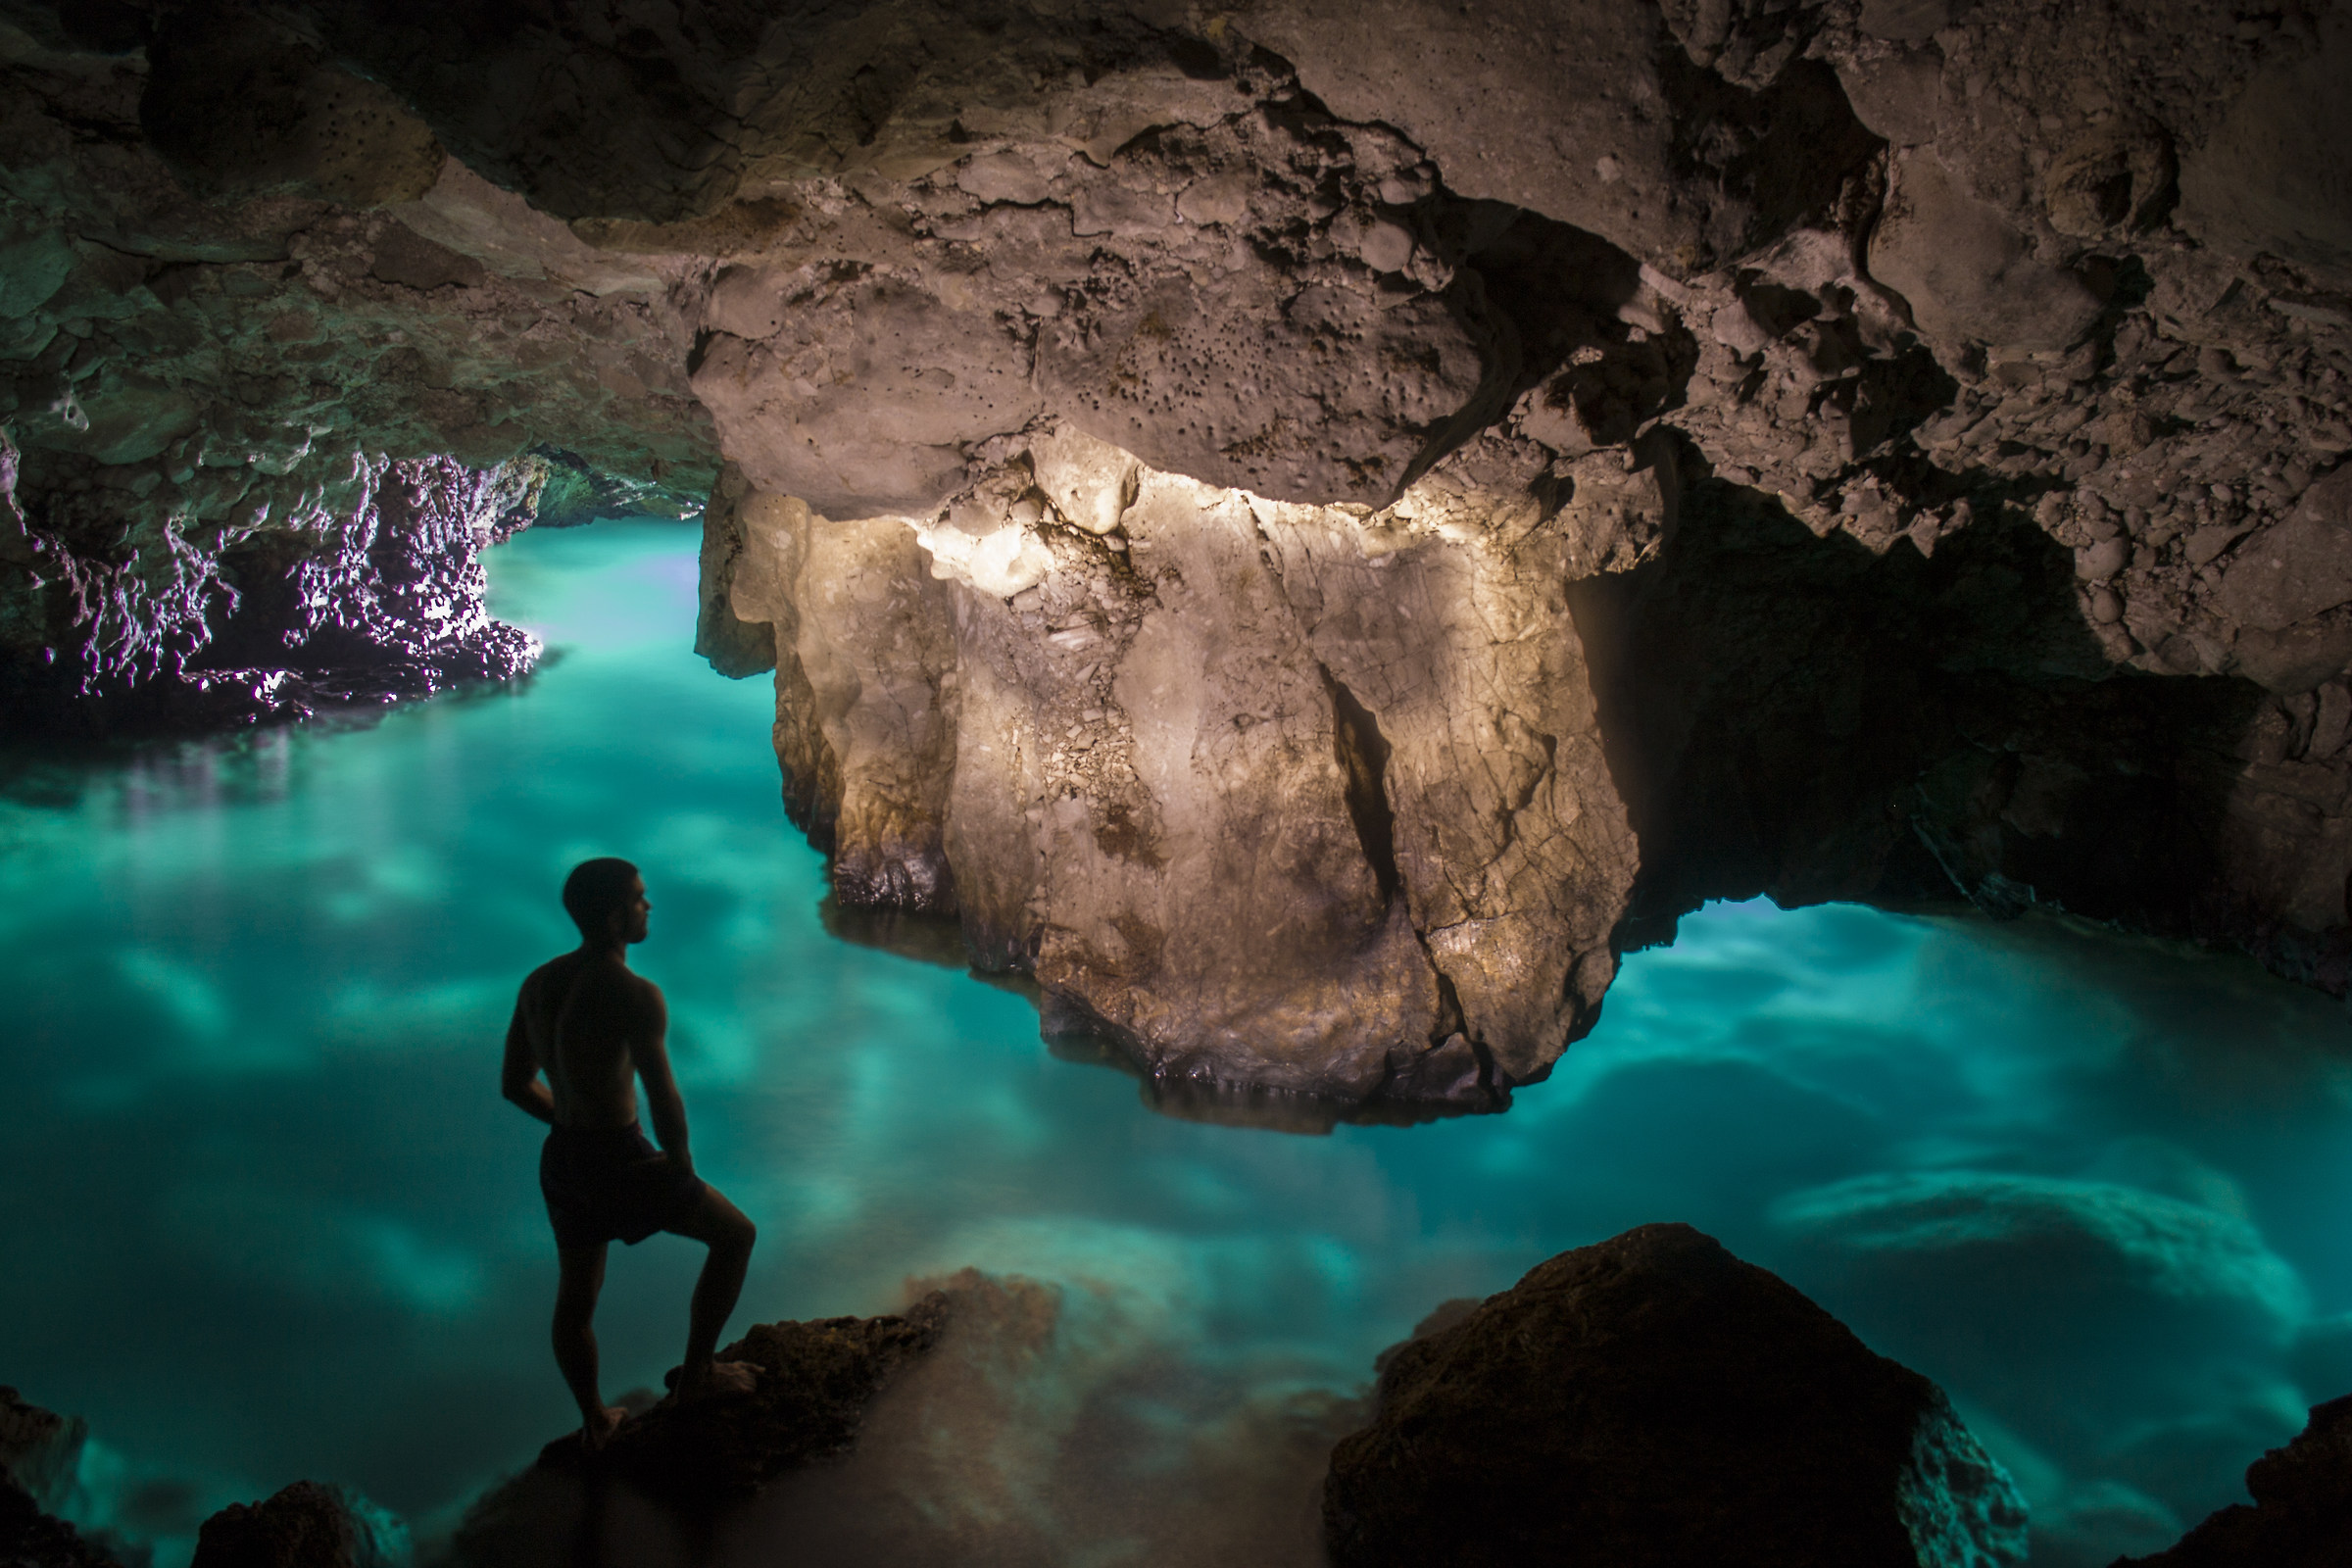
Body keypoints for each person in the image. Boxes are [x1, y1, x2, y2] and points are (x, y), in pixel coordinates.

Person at [502, 857, 759, 1450]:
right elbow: (662, 1094)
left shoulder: (539, 984)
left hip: (563, 1158)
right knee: (734, 1237)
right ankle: (696, 1378)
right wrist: (679, 1163)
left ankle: (595, 1420)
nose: (649, 907)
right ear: (616, 916)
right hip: (620, 1158)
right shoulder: (634, 995)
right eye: (640, 899)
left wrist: (569, 1124)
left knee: (577, 1297)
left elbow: (514, 1085)